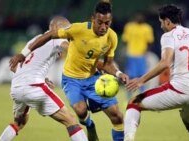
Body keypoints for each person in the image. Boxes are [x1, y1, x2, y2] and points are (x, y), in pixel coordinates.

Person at [9, 1, 129, 141]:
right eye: (100, 22)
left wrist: (119, 73)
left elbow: (108, 64)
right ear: (93, 19)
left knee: (117, 115)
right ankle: (89, 125)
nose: (103, 27)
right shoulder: (77, 29)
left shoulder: (111, 37)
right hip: (72, 80)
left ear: (111, 21)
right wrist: (23, 54)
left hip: (93, 79)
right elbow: (49, 35)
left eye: (107, 23)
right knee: (81, 111)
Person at [124, 4, 189, 141]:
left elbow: (165, 62)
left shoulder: (169, 35)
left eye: (161, 22)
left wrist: (141, 80)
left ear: (167, 21)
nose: (161, 26)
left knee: (133, 102)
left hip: (179, 90)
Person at [0, 17, 88, 141]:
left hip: (16, 87)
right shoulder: (57, 38)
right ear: (58, 28)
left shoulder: (35, 39)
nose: (68, 33)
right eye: (67, 29)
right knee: (71, 120)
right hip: (34, 87)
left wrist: (42, 78)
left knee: (19, 123)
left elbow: (19, 66)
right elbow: (71, 48)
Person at [122, 12, 154, 100]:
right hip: (131, 54)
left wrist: (146, 52)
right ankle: (129, 97)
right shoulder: (129, 26)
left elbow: (150, 42)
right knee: (130, 76)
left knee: (142, 76)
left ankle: (142, 96)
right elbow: (125, 40)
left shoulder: (147, 28)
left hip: (141, 55)